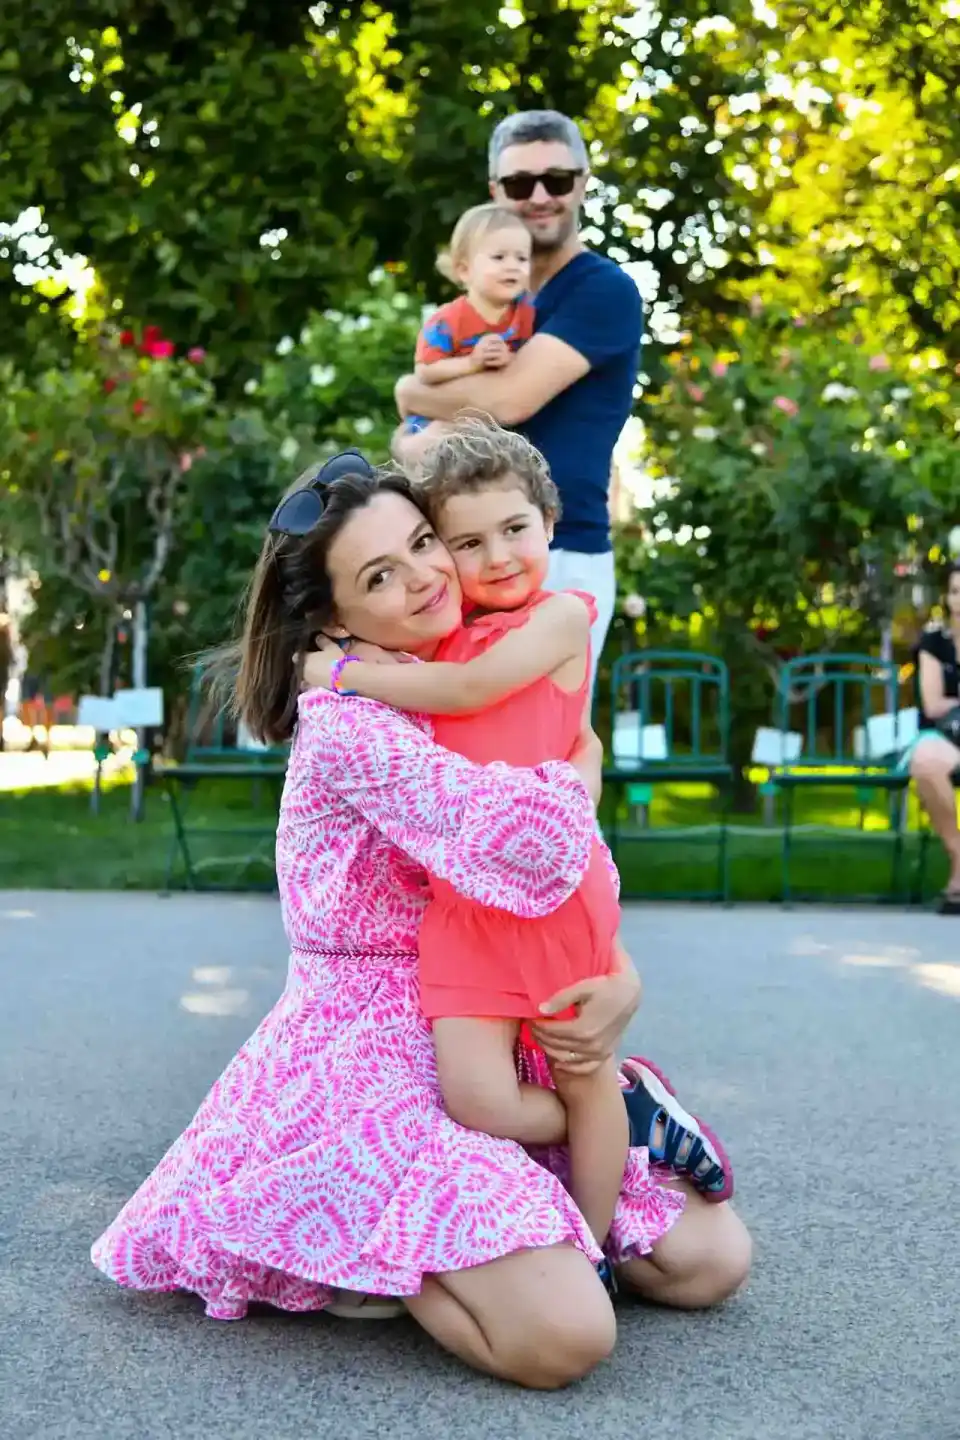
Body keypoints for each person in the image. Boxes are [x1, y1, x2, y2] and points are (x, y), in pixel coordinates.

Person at [91, 454, 750, 1389]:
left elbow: (560, 870)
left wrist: (622, 975)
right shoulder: (349, 718)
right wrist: (584, 769)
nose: (426, 576)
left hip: (488, 1003)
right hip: (372, 1054)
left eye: (424, 542)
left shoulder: (466, 663)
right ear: (330, 621)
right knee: (566, 1338)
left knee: (711, 1263)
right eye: (379, 576)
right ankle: (392, 1250)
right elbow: (527, 838)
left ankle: (587, 1141)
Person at [302, 425, 732, 1267]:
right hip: (465, 905)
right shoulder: (441, 635)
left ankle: (592, 1249)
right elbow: (431, 676)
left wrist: (342, 673)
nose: (497, 556)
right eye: (466, 542)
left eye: (515, 529)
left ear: (550, 523)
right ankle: (634, 1110)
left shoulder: (559, 618)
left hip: (549, 892)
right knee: (478, 1098)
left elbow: (470, 691)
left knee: (575, 1068)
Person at [392, 109, 643, 696]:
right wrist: (412, 436)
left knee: (542, 736)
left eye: (556, 179)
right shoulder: (488, 303)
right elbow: (414, 438)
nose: (539, 196)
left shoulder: (603, 290)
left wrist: (411, 392)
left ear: (582, 182)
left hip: (558, 549)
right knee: (455, 737)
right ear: (495, 192)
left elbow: (507, 401)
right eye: (519, 183)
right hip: (468, 551)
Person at [404, 204, 536, 436]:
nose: (513, 266)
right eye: (499, 257)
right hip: (444, 419)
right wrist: (472, 363)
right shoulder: (447, 321)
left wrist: (511, 359)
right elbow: (425, 370)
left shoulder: (527, 311)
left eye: (522, 258)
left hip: (499, 424)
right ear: (464, 270)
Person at [908, 561, 960, 913]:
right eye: (955, 591)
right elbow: (933, 704)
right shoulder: (934, 642)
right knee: (925, 761)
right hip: (945, 736)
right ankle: (959, 857)